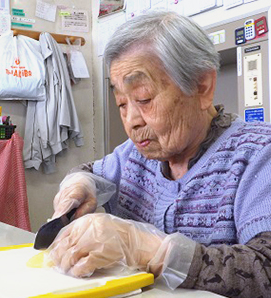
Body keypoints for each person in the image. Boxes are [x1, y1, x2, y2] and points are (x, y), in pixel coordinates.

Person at [47, 10, 271, 298]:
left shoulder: (257, 155)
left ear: (202, 87)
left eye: (144, 99)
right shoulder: (135, 155)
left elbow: (265, 270)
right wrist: (79, 185)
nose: (131, 120)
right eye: (121, 104)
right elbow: (90, 172)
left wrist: (146, 248)